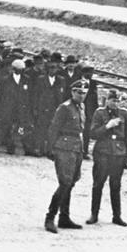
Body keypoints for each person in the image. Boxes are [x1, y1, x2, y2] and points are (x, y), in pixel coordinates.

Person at [44, 80, 87, 233]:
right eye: (78, 92)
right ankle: (50, 217)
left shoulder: (81, 107)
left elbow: (81, 129)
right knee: (65, 182)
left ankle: (64, 217)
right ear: (72, 92)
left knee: (72, 182)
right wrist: (50, 149)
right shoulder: (64, 108)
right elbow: (54, 128)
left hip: (76, 148)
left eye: (84, 93)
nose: (81, 96)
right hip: (64, 147)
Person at [87, 89, 127, 227]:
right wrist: (107, 126)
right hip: (102, 153)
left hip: (118, 154)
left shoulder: (124, 113)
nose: (115, 103)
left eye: (118, 100)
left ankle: (117, 216)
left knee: (115, 185)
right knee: (98, 184)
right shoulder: (99, 113)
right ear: (107, 100)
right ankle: (94, 214)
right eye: (113, 100)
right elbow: (93, 134)